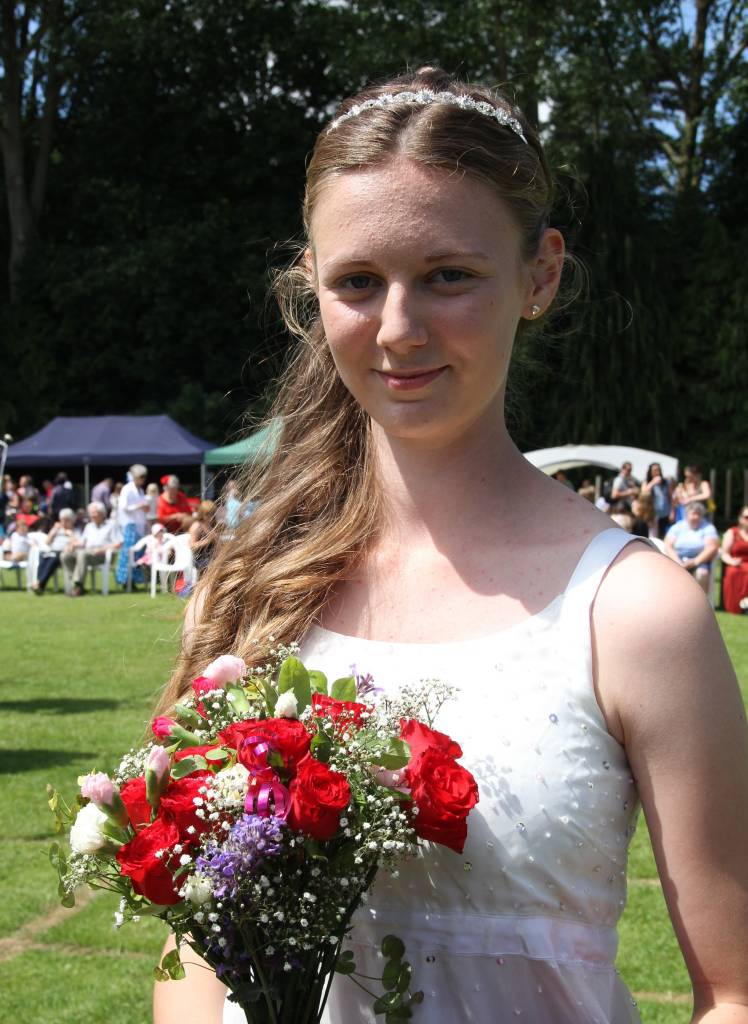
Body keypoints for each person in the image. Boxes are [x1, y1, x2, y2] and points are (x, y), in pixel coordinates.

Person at [152, 69, 748, 1024]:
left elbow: (734, 990)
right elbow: (193, 953)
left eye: (448, 276)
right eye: (358, 282)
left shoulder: (635, 614)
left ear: (539, 276)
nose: (398, 328)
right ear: (312, 284)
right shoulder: (252, 589)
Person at [61, 501, 120, 596]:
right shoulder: (89, 526)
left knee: (82, 554)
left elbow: (118, 543)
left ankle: (77, 585)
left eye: (94, 513)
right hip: (87, 552)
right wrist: (72, 545)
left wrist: (102, 549)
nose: (92, 515)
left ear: (102, 513)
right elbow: (82, 542)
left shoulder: (111, 525)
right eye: (91, 513)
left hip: (103, 554)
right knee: (65, 555)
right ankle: (74, 585)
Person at [664, 502, 720, 596]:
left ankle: (700, 602)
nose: (696, 517)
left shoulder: (708, 528)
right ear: (686, 515)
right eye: (693, 514)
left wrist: (694, 562)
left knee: (702, 574)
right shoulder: (677, 527)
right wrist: (678, 562)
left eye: (698, 514)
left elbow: (712, 547)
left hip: (700, 559)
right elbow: (668, 545)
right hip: (677, 559)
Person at [115, 465, 149, 587]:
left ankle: (133, 580)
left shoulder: (140, 490)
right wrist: (139, 506)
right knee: (128, 553)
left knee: (137, 554)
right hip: (129, 525)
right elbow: (123, 507)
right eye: (141, 477)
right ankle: (124, 579)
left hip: (139, 525)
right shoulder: (127, 489)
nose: (143, 480)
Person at [30, 508, 78, 594]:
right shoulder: (57, 530)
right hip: (52, 551)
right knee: (43, 556)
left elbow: (75, 544)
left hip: (64, 554)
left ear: (72, 521)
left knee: (53, 557)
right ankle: (40, 584)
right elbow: (47, 542)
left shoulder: (75, 530)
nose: (64, 523)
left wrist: (70, 535)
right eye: (62, 520)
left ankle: (39, 583)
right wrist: (54, 531)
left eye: (66, 520)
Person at [721, 505, 748, 614]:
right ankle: (736, 607)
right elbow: (724, 553)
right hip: (736, 563)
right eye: (746, 517)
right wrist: (732, 561)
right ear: (740, 518)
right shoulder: (732, 532)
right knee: (733, 573)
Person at [640, 462, 673, 538]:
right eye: (655, 470)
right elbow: (643, 493)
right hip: (652, 513)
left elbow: (670, 497)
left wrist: (672, 511)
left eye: (658, 470)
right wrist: (653, 483)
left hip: (665, 512)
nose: (657, 472)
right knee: (653, 535)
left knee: (663, 534)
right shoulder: (647, 482)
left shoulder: (666, 482)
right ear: (650, 472)